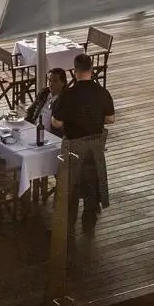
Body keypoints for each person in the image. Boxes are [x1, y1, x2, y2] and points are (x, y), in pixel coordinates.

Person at [50, 52, 116, 222]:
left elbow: (57, 123)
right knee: (91, 178)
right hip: (95, 149)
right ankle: (90, 213)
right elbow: (110, 118)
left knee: (69, 182)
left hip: (73, 150)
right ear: (92, 70)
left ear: (75, 71)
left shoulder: (69, 95)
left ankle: (67, 216)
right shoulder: (102, 92)